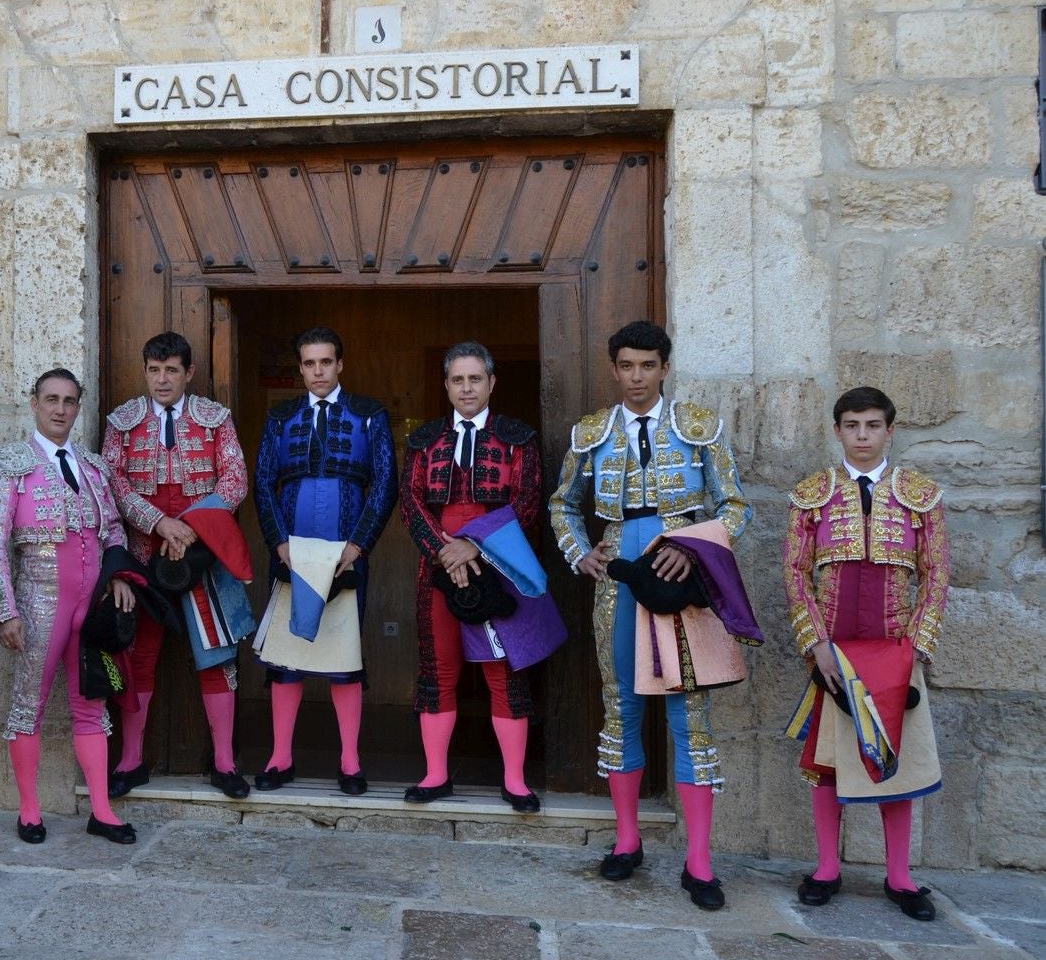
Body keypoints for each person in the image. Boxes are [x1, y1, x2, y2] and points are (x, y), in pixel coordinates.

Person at [547, 320, 749, 910]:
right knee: (622, 707)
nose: (636, 377)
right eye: (627, 366)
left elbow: (735, 504)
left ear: (665, 368)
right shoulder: (591, 433)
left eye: (647, 366)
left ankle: (700, 861)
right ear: (615, 369)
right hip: (616, 580)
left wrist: (697, 547)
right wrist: (577, 553)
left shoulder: (698, 428)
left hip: (681, 574)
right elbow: (563, 504)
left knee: (692, 714)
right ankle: (628, 841)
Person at [782, 386, 949, 921]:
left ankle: (899, 876)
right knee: (829, 763)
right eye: (852, 425)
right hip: (834, 651)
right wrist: (815, 644)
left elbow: (938, 573)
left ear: (890, 431)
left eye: (872, 425)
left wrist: (915, 649)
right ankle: (827, 867)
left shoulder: (921, 495)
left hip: (895, 648)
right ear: (837, 431)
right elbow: (794, 571)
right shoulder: (812, 494)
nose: (862, 436)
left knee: (894, 759)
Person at [0, 368, 142, 844]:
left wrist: (118, 579)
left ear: (78, 407)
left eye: (69, 401)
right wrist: (5, 611)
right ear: (34, 403)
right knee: (28, 705)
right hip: (38, 600)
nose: (59, 409)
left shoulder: (93, 466)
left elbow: (112, 529)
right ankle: (29, 811)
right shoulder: (9, 464)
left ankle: (103, 811)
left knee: (92, 704)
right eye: (51, 399)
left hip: (90, 605)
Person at [102, 331, 253, 800]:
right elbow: (112, 481)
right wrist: (159, 523)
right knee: (137, 654)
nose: (161, 379)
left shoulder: (216, 419)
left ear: (188, 373)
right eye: (153, 369)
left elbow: (236, 479)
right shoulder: (122, 422)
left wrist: (185, 527)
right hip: (145, 555)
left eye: (171, 370)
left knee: (216, 655)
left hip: (201, 554)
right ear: (145, 371)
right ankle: (131, 761)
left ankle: (225, 764)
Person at [399, 342, 544, 810]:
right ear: (446, 385)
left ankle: (516, 780)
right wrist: (446, 551)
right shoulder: (424, 440)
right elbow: (412, 503)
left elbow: (527, 501)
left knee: (505, 669)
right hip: (439, 565)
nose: (466, 388)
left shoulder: (518, 438)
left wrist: (473, 546)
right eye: (458, 380)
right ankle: (436, 774)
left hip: (499, 564)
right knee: (438, 669)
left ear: (491, 383)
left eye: (475, 379)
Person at [252, 327, 397, 795]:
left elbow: (384, 485)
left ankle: (350, 763)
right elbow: (262, 484)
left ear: (340, 365)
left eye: (326, 362)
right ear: (300, 368)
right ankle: (280, 758)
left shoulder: (370, 415)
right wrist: (279, 545)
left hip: (345, 553)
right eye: (309, 364)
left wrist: (357, 547)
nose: (317, 371)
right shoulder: (280, 417)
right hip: (292, 552)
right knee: (286, 658)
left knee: (344, 657)